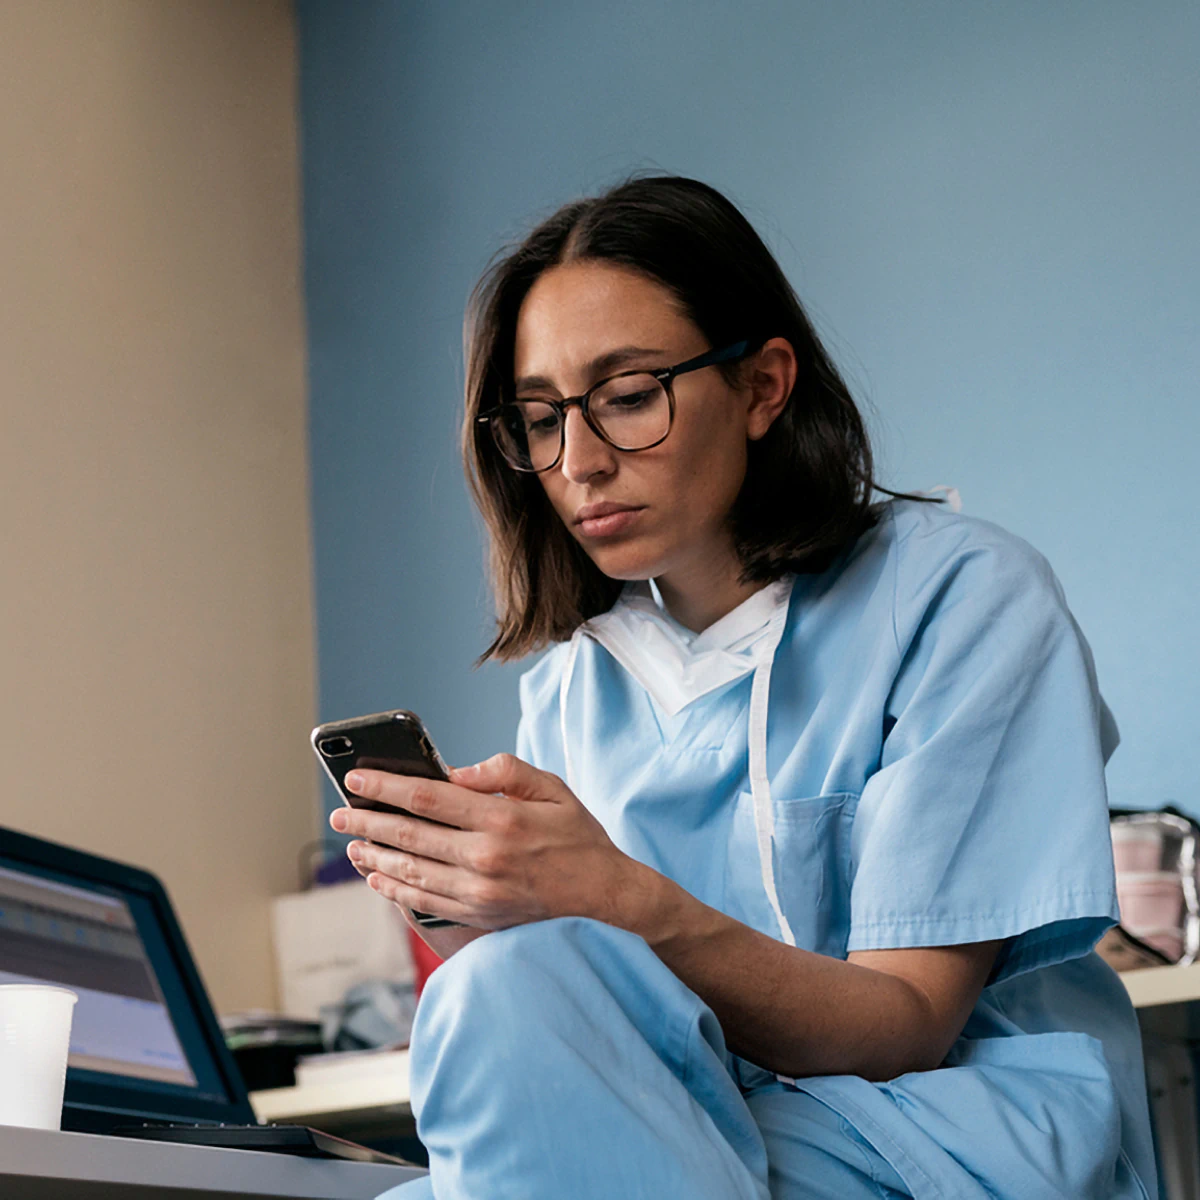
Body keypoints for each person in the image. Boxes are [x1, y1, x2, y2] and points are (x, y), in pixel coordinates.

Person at [329, 176, 1156, 1199]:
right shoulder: (576, 685)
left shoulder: (963, 599)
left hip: (946, 1128)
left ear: (764, 387)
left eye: (628, 397)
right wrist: (473, 904)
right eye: (540, 420)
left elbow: (906, 1027)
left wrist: (613, 901)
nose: (578, 462)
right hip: (713, 1113)